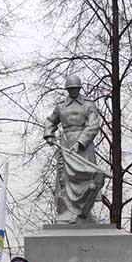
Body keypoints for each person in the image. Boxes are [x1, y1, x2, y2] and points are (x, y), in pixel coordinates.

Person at [43, 74, 104, 223]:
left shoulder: (89, 104)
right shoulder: (61, 106)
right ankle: (67, 212)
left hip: (84, 146)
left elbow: (93, 125)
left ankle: (86, 212)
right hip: (65, 144)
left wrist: (80, 143)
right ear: (67, 90)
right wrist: (49, 135)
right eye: (71, 89)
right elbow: (51, 121)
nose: (73, 91)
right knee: (65, 178)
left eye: (76, 89)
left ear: (79, 88)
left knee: (87, 176)